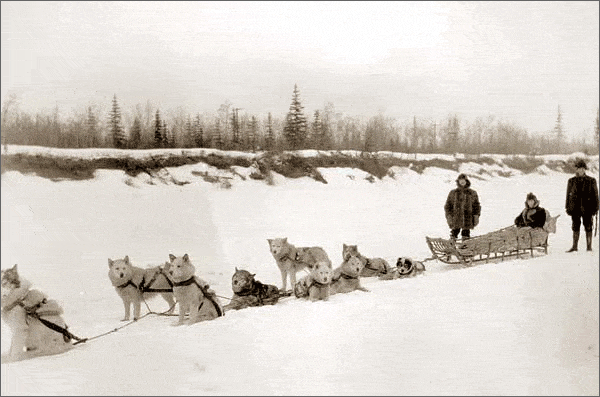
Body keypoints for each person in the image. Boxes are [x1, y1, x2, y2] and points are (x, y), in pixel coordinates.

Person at [565, 158, 599, 252]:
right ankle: (574, 246)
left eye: (583, 168)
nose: (581, 170)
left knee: (588, 226)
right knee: (575, 226)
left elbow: (596, 196)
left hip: (588, 208)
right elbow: (568, 195)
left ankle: (589, 247)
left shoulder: (591, 180)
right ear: (576, 169)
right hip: (575, 208)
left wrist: (596, 208)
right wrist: (567, 207)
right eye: (579, 168)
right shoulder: (571, 181)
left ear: (585, 169)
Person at [445, 173, 481, 240]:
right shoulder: (453, 193)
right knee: (454, 233)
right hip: (455, 218)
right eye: (460, 180)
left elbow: (477, 206)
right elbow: (448, 206)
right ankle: (451, 245)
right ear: (458, 181)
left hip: (468, 218)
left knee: (466, 234)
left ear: (466, 181)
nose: (462, 182)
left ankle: (464, 247)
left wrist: (476, 216)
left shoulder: (472, 193)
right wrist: (449, 216)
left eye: (463, 180)